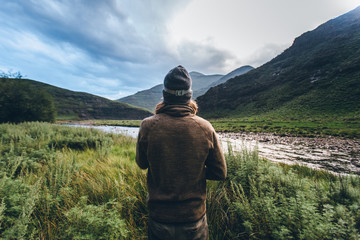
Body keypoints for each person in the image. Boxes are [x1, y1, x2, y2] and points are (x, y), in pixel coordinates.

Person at [136, 65, 227, 240]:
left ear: (165, 95)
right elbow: (220, 173)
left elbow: (141, 163)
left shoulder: (147, 126)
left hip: (159, 219)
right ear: (188, 96)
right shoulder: (205, 127)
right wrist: (194, 170)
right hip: (194, 221)